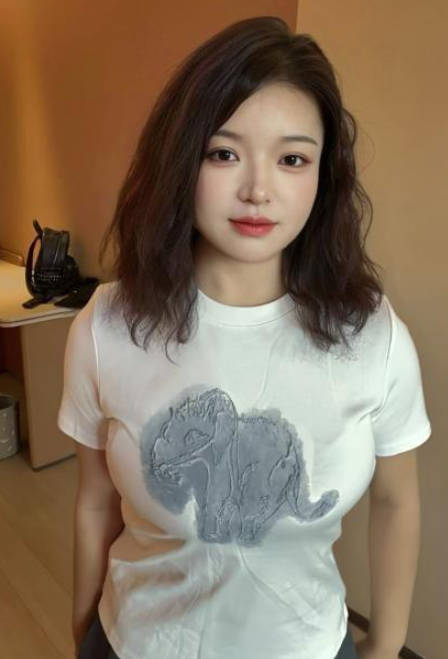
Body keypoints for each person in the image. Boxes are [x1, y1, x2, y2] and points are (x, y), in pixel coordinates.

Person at [57, 16, 432, 659]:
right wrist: (83, 629)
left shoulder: (372, 336)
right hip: (136, 640)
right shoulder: (108, 325)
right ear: (181, 160)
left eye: (292, 159)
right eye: (224, 153)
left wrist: (388, 640)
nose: (258, 190)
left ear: (323, 175)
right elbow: (95, 503)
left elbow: (398, 501)